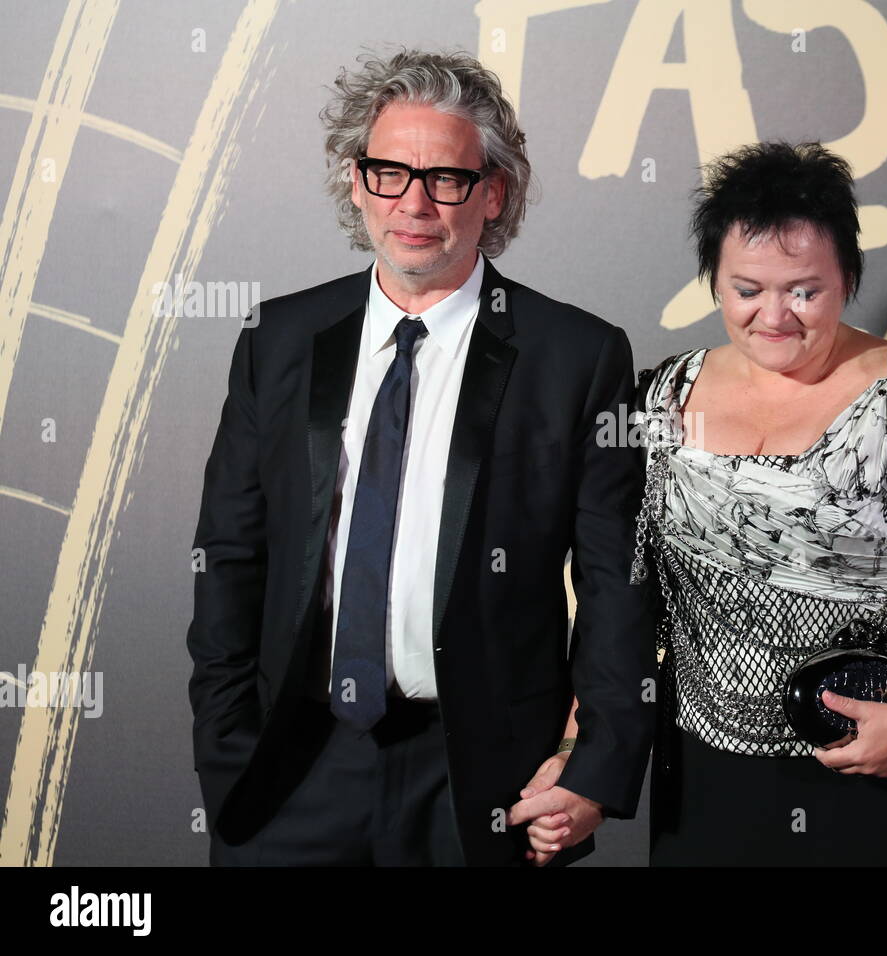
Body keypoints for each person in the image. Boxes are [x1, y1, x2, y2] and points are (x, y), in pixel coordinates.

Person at [186, 48, 656, 867]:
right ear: (356, 178)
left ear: (493, 193)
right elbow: (229, 555)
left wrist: (595, 768)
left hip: (482, 782)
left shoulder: (576, 356)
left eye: (445, 178)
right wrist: (228, 748)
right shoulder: (280, 339)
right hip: (291, 770)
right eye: (388, 172)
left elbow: (616, 584)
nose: (414, 203)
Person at [632, 141, 887, 866]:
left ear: (848, 278)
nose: (775, 315)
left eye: (805, 290)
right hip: (705, 768)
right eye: (747, 289)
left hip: (883, 765)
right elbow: (630, 587)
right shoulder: (665, 396)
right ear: (715, 283)